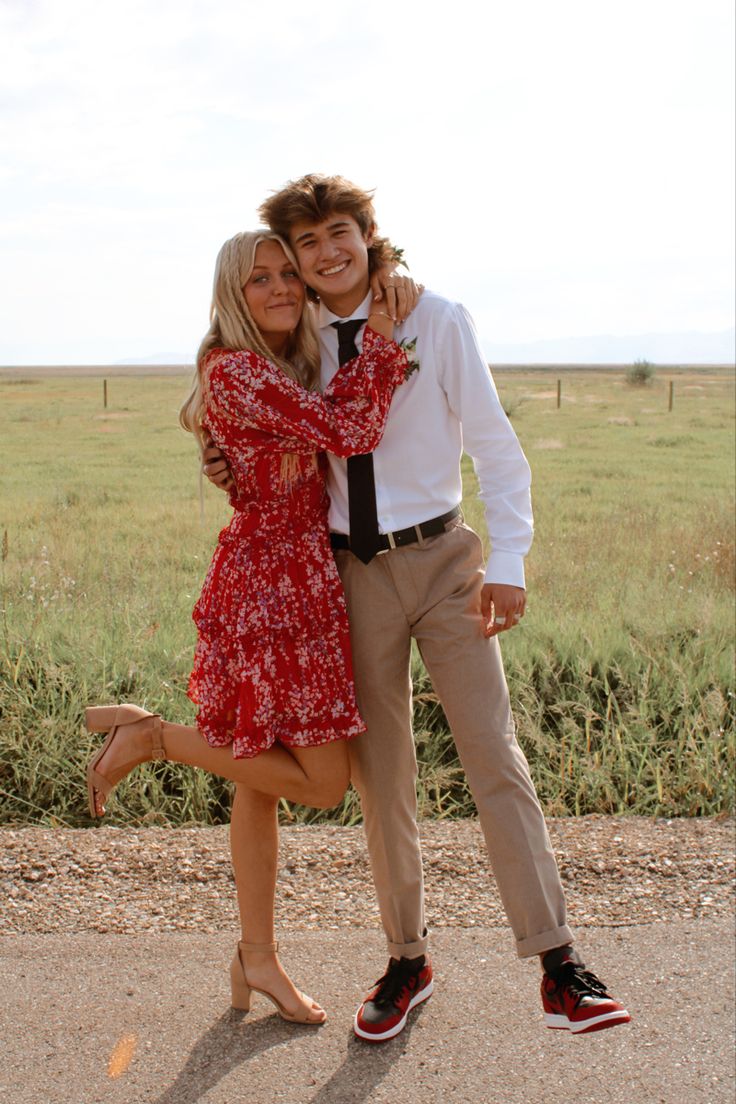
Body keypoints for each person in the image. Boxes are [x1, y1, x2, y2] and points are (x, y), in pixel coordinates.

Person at [205, 175, 631, 1041]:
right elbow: (259, 432)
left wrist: (508, 562)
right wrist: (217, 455)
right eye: (305, 246)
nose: (323, 257)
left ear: (368, 235)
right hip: (348, 577)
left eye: (338, 235)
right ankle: (407, 959)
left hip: (442, 562)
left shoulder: (437, 320)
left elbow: (498, 449)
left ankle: (558, 966)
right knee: (382, 782)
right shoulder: (297, 343)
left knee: (493, 757)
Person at [85, 228, 414, 1026]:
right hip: (270, 592)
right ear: (233, 291)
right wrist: (380, 338)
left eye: (286, 277)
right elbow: (351, 432)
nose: (280, 289)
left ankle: (256, 959)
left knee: (257, 779)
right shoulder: (236, 369)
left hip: (297, 579)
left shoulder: (272, 368)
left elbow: (287, 449)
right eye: (259, 279)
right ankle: (153, 737)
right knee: (324, 784)